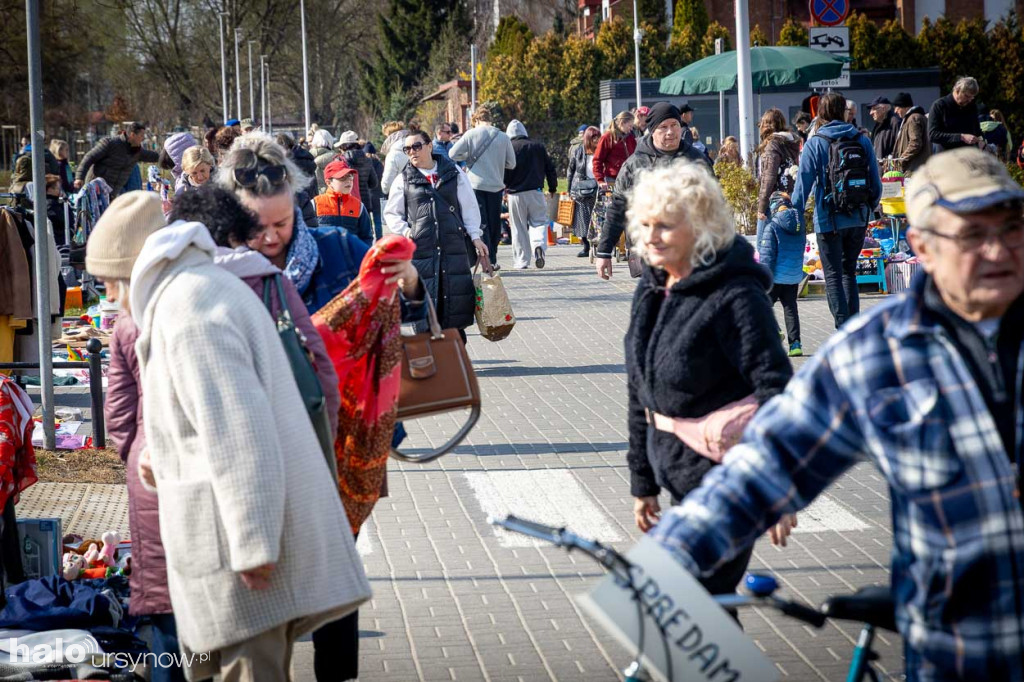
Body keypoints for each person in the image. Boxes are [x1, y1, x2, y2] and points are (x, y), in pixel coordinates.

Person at [650, 147, 1024, 680]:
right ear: (922, 246)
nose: (998, 250)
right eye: (971, 234)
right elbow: (770, 462)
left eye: (1012, 228)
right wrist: (664, 563)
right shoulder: (880, 350)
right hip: (957, 659)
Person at [127, 205, 370, 682]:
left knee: (250, 665)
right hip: (236, 522)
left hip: (235, 539)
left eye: (110, 283)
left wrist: (253, 544)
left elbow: (240, 431)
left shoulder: (193, 305)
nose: (111, 299)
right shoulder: (216, 289)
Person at [624, 160, 794, 605]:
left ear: (700, 227)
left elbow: (777, 390)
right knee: (695, 613)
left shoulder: (735, 294)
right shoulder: (654, 285)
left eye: (665, 225)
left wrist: (778, 488)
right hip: (678, 476)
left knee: (692, 606)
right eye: (645, 225)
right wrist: (643, 482)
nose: (651, 236)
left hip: (728, 481)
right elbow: (639, 390)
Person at [89, 192, 189, 682]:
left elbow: (119, 414)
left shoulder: (129, 324)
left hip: (151, 475)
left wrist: (134, 456)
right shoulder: (196, 298)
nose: (109, 294)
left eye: (110, 282)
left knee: (167, 617)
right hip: (193, 477)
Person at [216, 133, 362, 315]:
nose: (271, 238)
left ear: (294, 206)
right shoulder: (221, 272)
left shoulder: (340, 247)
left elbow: (393, 296)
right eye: (257, 227)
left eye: (281, 224)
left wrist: (400, 276)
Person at [791, 92, 882, 329]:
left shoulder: (815, 142)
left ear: (821, 113)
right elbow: (876, 182)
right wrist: (868, 208)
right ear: (844, 111)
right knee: (849, 272)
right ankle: (854, 328)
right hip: (858, 217)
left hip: (828, 218)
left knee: (833, 274)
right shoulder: (862, 140)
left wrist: (795, 214)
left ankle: (843, 328)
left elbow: (802, 186)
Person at [384, 131, 487, 338]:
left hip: (453, 247)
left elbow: (469, 207)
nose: (412, 152)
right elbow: (392, 213)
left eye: (416, 146)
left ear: (429, 146)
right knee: (425, 310)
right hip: (421, 251)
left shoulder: (453, 172)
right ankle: (432, 354)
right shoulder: (404, 179)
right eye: (407, 149)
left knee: (454, 309)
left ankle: (456, 353)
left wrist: (475, 236)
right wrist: (407, 231)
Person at [594, 102, 711, 279]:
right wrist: (604, 252)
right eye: (663, 127)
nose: (670, 132)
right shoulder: (634, 165)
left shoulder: (696, 160)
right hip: (648, 251)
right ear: (652, 130)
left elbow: (713, 206)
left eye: (674, 125)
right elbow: (618, 209)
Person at [449, 107, 516, 270]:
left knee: (481, 223)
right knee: (494, 223)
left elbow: (452, 154)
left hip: (475, 185)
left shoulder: (471, 134)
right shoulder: (503, 136)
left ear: (476, 120)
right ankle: (492, 258)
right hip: (496, 186)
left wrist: (468, 158)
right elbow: (512, 163)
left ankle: (488, 260)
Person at [503, 120, 557, 269]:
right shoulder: (537, 146)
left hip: (514, 194)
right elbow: (550, 168)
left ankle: (522, 261)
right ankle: (538, 246)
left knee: (518, 228)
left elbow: (503, 171)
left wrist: (504, 188)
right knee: (539, 222)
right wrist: (552, 187)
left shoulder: (508, 148)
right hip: (535, 191)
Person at [758, 191, 804, 357]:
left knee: (762, 306)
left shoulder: (772, 226)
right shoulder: (800, 224)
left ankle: (775, 331)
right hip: (793, 276)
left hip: (775, 277)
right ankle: (795, 344)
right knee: (790, 309)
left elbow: (767, 256)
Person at [74, 122, 160, 197]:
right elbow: (89, 157)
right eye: (141, 135)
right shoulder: (110, 144)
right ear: (132, 135)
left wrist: (166, 156)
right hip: (95, 190)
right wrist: (79, 177)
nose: (143, 138)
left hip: (111, 194)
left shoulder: (137, 152)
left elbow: (154, 156)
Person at [755, 108, 800, 242]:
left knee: (763, 244)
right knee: (784, 243)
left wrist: (761, 207)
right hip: (789, 198)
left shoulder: (772, 145)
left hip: (773, 201)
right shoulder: (790, 143)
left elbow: (769, 178)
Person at [314, 160, 373, 245]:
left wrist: (362, 252)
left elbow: (367, 237)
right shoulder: (315, 204)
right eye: (342, 178)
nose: (348, 181)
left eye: (350, 176)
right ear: (329, 183)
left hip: (352, 253)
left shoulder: (359, 206)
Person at [566, 126, 601, 257]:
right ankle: (586, 246)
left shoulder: (602, 150)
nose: (596, 140)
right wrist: (569, 189)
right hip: (581, 188)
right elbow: (571, 170)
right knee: (582, 219)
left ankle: (599, 245)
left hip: (598, 188)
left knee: (599, 218)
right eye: (594, 137)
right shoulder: (578, 151)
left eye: (598, 137)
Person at [929, 76, 985, 152]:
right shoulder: (939, 106)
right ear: (957, 90)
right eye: (966, 96)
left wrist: (981, 140)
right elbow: (933, 135)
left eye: (972, 98)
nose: (969, 100)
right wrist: (961, 137)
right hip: (945, 155)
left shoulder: (971, 107)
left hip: (967, 154)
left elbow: (977, 131)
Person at [592, 111, 636, 188]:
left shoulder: (630, 138)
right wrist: (600, 180)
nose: (631, 129)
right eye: (629, 126)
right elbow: (597, 160)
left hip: (629, 179)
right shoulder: (607, 138)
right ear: (622, 123)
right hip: (612, 180)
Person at [335, 131, 378, 207]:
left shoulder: (340, 160)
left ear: (343, 147)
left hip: (347, 203)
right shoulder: (367, 160)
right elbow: (373, 183)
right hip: (364, 203)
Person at [892, 92, 931, 174]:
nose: (895, 111)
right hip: (918, 168)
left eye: (897, 107)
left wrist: (901, 159)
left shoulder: (913, 118)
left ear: (904, 106)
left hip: (914, 169)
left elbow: (915, 143)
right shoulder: (916, 117)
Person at [868, 96, 900, 162]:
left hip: (889, 166)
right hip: (878, 165)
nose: (871, 113)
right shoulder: (878, 124)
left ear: (883, 109)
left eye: (874, 109)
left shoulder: (895, 122)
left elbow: (900, 146)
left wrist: (890, 161)